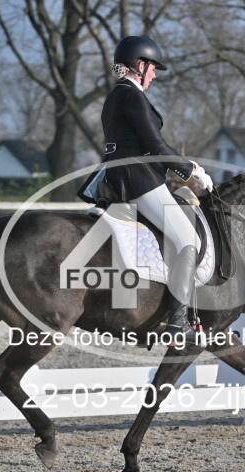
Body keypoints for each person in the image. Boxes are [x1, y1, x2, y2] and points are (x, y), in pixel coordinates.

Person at [77, 35, 214, 338]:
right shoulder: (132, 96)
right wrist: (190, 169)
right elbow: (154, 145)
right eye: (152, 69)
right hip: (139, 181)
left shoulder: (116, 95)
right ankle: (178, 324)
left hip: (120, 178)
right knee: (187, 242)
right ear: (140, 65)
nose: (154, 76)